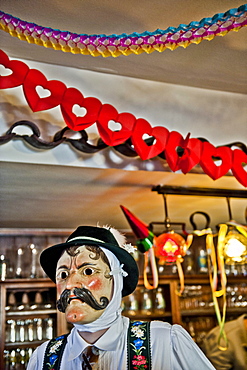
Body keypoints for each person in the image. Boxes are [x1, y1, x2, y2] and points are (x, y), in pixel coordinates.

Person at [27, 225, 215, 370]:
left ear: (116, 281)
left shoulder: (165, 341)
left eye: (88, 271)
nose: (70, 284)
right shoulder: (42, 358)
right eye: (63, 274)